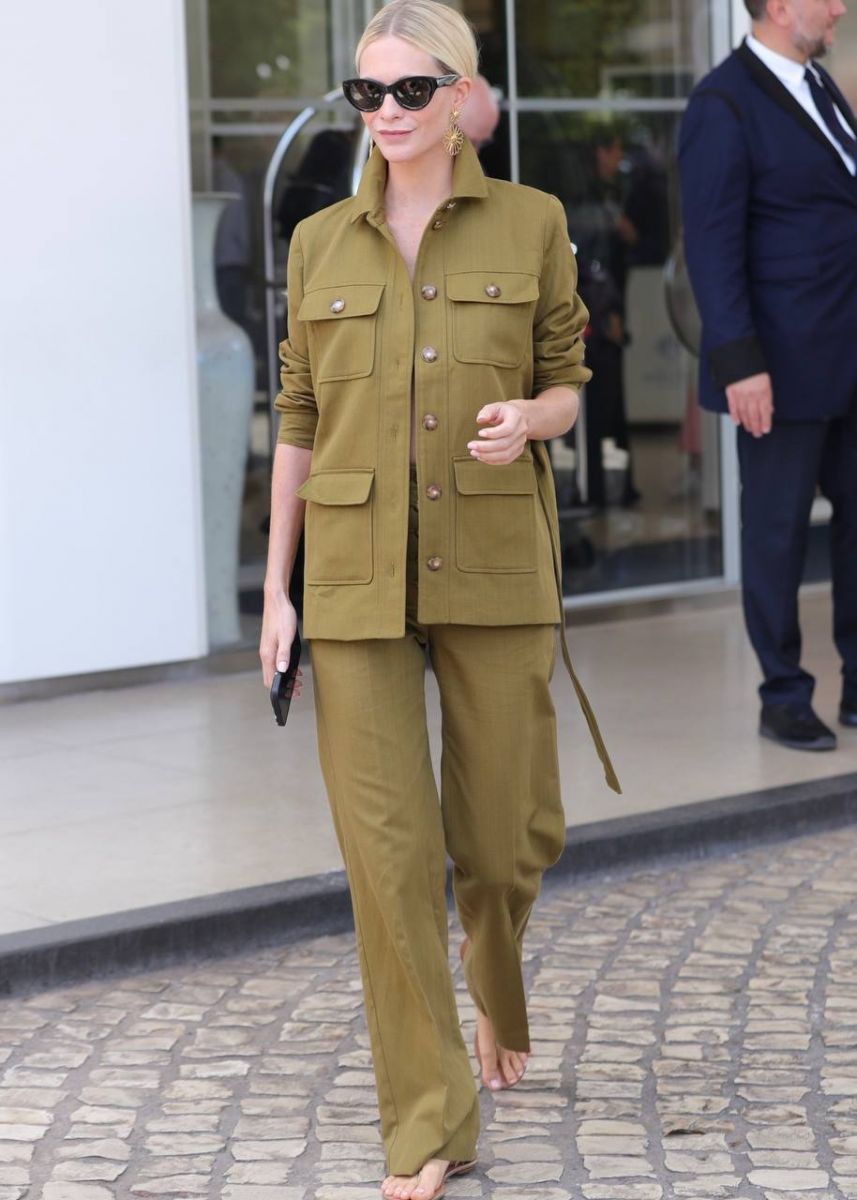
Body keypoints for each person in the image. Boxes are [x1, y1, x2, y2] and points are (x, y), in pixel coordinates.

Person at [259, 3, 619, 1197]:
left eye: (411, 90)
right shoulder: (317, 241)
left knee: (506, 836)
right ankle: (428, 1122)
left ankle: (494, 966)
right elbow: (298, 420)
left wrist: (530, 419)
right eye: (367, 94)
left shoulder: (532, 221)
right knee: (387, 859)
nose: (388, 114)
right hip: (351, 578)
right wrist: (276, 592)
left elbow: (567, 380)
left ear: (461, 96)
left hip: (493, 559)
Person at [679, 0, 857, 751]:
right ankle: (782, 695)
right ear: (780, 5)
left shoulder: (818, 86)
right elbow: (710, 246)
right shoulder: (722, 103)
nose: (840, 7)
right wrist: (739, 363)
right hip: (778, 371)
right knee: (777, 537)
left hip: (846, 356)